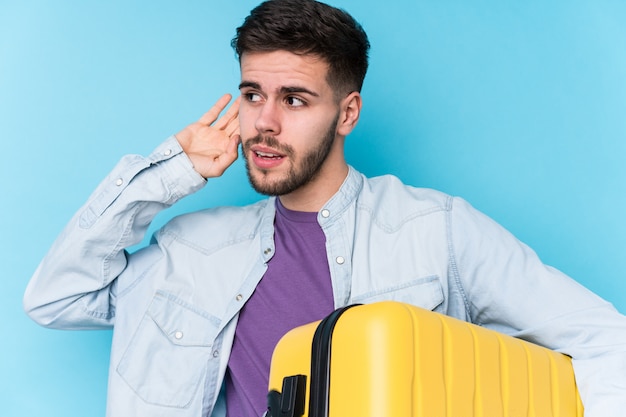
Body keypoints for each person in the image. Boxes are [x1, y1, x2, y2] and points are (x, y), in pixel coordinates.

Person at [24, 0, 626, 416]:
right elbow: (57, 298)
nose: (264, 121)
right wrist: (169, 173)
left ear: (347, 113)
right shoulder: (193, 248)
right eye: (253, 93)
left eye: (295, 99)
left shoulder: (436, 230)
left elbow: (606, 342)